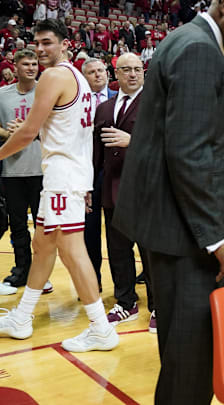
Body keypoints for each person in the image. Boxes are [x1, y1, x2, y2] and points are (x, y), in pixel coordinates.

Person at [112, 0, 224, 402]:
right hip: (184, 233)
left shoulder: (185, 39)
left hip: (170, 223)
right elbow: (188, 150)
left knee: (182, 355)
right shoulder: (198, 49)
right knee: (192, 362)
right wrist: (216, 238)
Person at [0, 18, 118, 352]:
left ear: (65, 43)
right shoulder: (78, 77)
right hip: (67, 173)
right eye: (36, 43)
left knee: (72, 251)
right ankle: (22, 318)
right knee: (43, 245)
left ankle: (100, 328)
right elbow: (49, 127)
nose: (40, 49)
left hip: (63, 177)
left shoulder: (53, 76)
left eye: (47, 42)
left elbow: (27, 133)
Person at [92, 53, 155, 331]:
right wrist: (88, 185)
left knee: (151, 253)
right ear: (115, 73)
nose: (132, 74)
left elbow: (168, 145)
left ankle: (159, 306)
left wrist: (135, 141)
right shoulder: (104, 108)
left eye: (137, 69)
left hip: (147, 190)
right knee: (118, 250)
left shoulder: (157, 104)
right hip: (111, 189)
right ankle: (126, 301)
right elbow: (96, 153)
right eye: (126, 69)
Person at [0, 50, 48, 294]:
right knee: (17, 224)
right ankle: (21, 271)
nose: (31, 67)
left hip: (42, 169)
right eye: (25, 64)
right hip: (12, 170)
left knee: (43, 227)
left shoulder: (46, 92)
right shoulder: (2, 95)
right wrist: (9, 135)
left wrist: (28, 131)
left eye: (34, 63)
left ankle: (42, 275)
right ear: (15, 67)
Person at [82, 56, 117, 290]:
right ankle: (93, 281)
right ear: (84, 77)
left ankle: (123, 284)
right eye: (92, 72)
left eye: (101, 70)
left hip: (114, 172)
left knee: (119, 233)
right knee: (89, 232)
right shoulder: (78, 101)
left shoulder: (120, 99)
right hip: (86, 173)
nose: (98, 74)